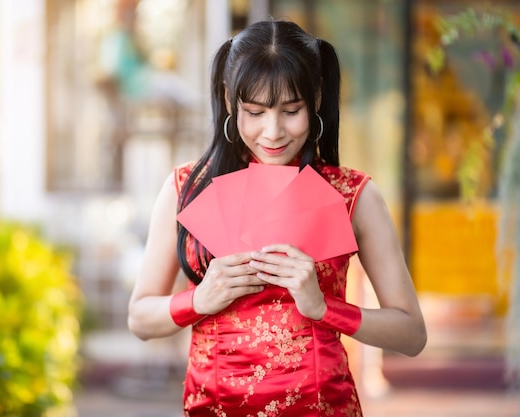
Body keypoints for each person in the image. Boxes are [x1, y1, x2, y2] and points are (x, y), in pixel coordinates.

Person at [128, 19, 427, 417]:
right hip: (213, 407)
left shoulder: (352, 195)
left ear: (316, 98)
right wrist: (200, 299)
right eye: (255, 112)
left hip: (321, 407)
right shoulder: (186, 187)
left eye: (291, 110)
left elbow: (411, 334)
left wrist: (324, 308)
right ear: (230, 101)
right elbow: (140, 318)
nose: (272, 132)